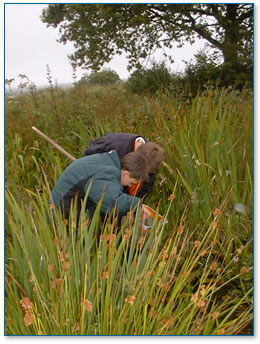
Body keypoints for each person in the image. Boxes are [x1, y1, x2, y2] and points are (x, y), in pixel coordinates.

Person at [50, 150, 150, 224]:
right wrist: (137, 205)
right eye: (131, 182)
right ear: (126, 172)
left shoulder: (109, 161)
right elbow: (113, 202)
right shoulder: (107, 174)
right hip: (60, 216)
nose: (129, 186)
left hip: (71, 207)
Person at [83, 133, 165, 198]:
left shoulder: (153, 158)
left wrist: (134, 205)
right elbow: (87, 163)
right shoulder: (112, 144)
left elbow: (145, 187)